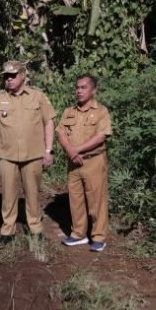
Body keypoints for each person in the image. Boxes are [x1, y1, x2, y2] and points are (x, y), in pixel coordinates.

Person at [0, 61, 56, 248]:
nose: (8, 79)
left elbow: (49, 122)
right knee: (8, 195)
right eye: (6, 76)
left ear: (23, 75)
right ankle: (7, 231)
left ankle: (35, 229)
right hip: (7, 155)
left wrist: (48, 150)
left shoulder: (37, 96)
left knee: (33, 194)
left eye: (13, 75)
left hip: (33, 155)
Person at [56, 74, 112, 252]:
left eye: (83, 87)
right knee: (76, 199)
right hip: (74, 163)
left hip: (93, 161)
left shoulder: (101, 111)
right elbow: (61, 132)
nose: (79, 91)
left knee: (96, 200)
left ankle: (98, 237)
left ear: (93, 90)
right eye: (77, 87)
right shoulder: (69, 111)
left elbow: (101, 136)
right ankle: (78, 234)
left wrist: (76, 149)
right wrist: (70, 151)